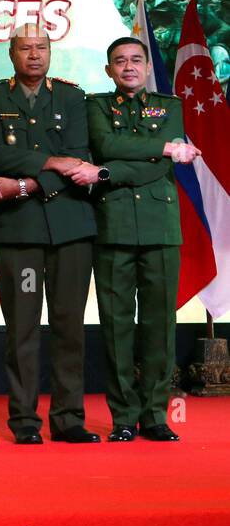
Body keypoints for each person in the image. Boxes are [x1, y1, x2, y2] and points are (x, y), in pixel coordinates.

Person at [0, 23, 103, 444]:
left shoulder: (71, 95)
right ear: (11, 53)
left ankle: (69, 418)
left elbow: (81, 158)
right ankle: (25, 421)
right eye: (25, 48)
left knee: (69, 327)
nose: (34, 55)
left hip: (70, 229)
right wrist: (51, 163)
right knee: (22, 329)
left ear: (51, 52)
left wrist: (31, 182)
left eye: (41, 47)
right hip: (19, 233)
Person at [87, 36, 200, 442]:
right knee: (116, 326)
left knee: (159, 325)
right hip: (113, 224)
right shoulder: (96, 105)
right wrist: (165, 148)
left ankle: (155, 415)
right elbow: (105, 145)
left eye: (136, 60)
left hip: (160, 227)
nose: (129, 67)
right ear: (109, 69)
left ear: (148, 67)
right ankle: (122, 417)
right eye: (120, 61)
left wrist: (108, 171)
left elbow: (147, 167)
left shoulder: (171, 106)